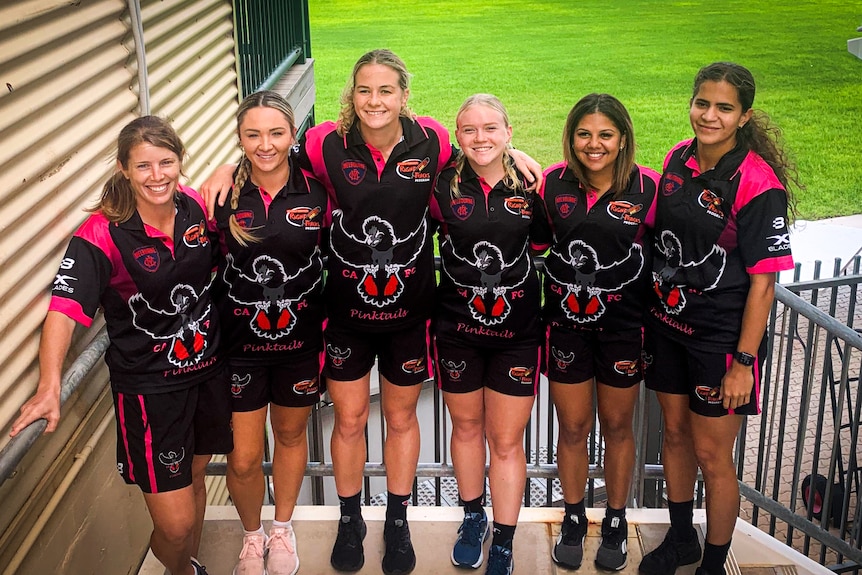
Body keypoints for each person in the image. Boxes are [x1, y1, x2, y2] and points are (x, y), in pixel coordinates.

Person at [202, 48, 542, 575]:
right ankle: (350, 517)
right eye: (365, 90)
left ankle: (398, 521)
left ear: (405, 95)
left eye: (387, 90)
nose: (375, 100)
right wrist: (230, 164)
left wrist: (513, 151)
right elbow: (276, 159)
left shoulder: (430, 138)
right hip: (345, 317)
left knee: (402, 418)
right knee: (351, 418)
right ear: (351, 96)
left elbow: (479, 156)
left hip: (411, 317)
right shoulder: (323, 143)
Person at [9, 116, 232, 575]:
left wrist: (228, 166)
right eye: (144, 165)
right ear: (123, 169)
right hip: (150, 392)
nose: (157, 176)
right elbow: (65, 309)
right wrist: (50, 385)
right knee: (173, 525)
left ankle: (184, 569)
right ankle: (182, 567)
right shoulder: (102, 233)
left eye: (166, 162)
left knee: (193, 481)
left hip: (207, 374)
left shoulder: (193, 207)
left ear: (180, 163)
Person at [639, 62, 796, 575]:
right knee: (675, 437)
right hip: (669, 328)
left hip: (721, 343)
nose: (709, 115)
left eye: (724, 107)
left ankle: (713, 562)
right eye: (702, 103)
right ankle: (681, 539)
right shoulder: (677, 158)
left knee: (712, 454)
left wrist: (743, 363)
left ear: (743, 115)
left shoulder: (757, 183)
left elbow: (764, 282)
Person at [533, 93, 659, 571]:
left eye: (605, 134)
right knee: (572, 427)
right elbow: (540, 241)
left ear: (622, 138)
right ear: (571, 137)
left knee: (618, 427)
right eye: (583, 134)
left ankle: (615, 521)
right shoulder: (551, 183)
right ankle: (571, 516)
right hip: (566, 329)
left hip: (625, 330)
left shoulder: (649, 187)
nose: (594, 144)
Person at [213, 91, 330, 575]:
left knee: (289, 435)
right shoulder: (220, 196)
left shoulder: (319, 188)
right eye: (253, 134)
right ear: (239, 139)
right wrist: (222, 169)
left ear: (293, 133)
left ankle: (281, 529)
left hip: (301, 346)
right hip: (240, 350)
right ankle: (251, 535)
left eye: (276, 132)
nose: (266, 144)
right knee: (242, 458)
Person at [430, 94, 546, 575]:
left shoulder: (532, 184)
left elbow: (543, 242)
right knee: (467, 429)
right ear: (457, 138)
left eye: (491, 128)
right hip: (457, 329)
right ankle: (473, 517)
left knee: (505, 440)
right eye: (469, 129)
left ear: (508, 132)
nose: (481, 138)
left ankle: (505, 538)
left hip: (518, 332)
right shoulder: (439, 186)